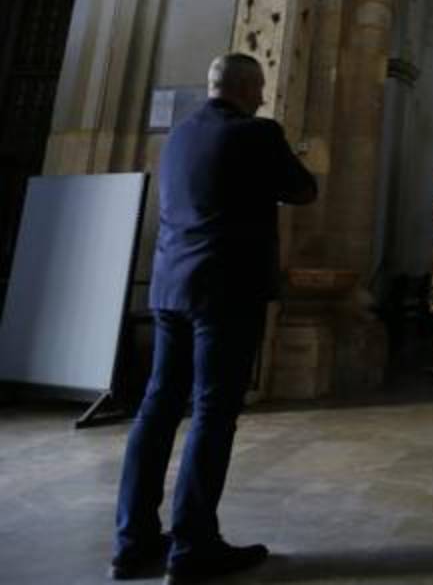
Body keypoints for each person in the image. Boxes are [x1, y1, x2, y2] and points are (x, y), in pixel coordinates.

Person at [111, 53, 316, 582]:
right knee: (211, 412)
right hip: (223, 293)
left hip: (170, 288)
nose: (262, 96)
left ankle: (132, 541)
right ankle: (194, 544)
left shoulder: (177, 135)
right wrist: (292, 153)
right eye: (261, 87)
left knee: (157, 406)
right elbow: (303, 189)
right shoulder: (259, 133)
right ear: (248, 88)